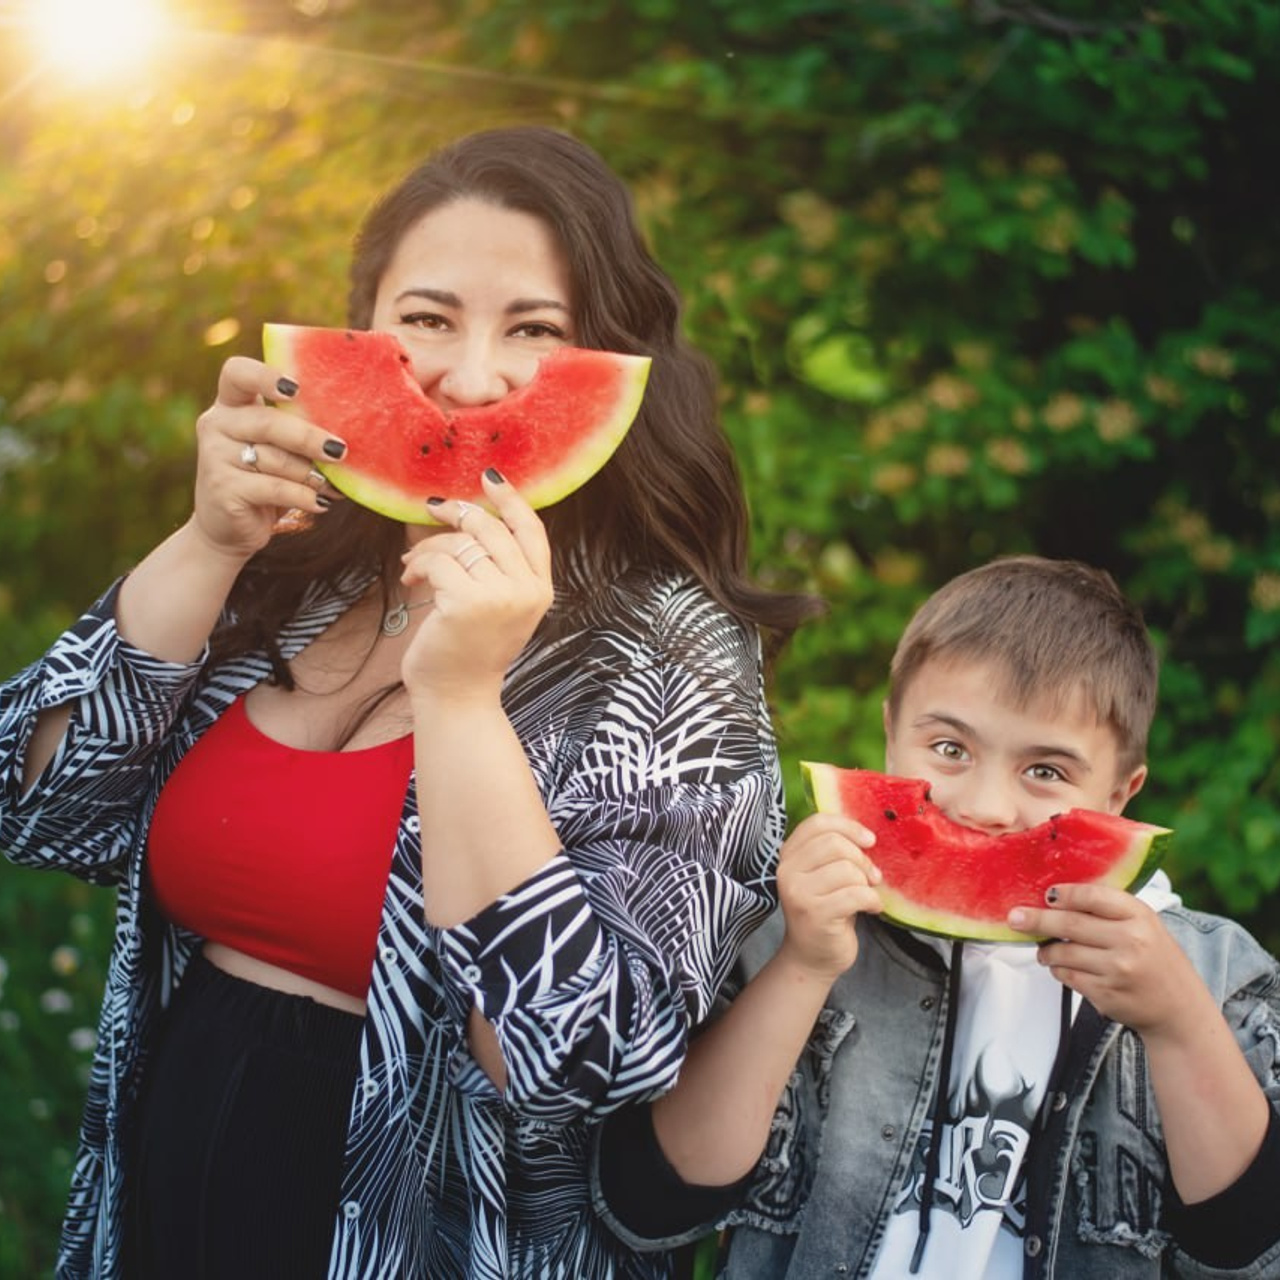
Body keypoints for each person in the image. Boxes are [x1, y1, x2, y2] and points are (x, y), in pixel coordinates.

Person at [0, 125, 820, 1280]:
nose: (469, 378)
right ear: (361, 332)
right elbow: (40, 809)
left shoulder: (671, 653)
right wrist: (205, 541)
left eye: (532, 329)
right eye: (427, 318)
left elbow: (576, 1058)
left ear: (608, 361)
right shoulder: (289, 575)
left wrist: (463, 697)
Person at [593, 556, 1280, 1278]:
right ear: (891, 732)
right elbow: (654, 1203)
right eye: (949, 748)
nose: (984, 806)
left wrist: (1176, 1025)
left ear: (1121, 791)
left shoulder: (1213, 974)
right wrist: (801, 967)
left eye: (1045, 771)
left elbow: (1252, 1247)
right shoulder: (798, 927)